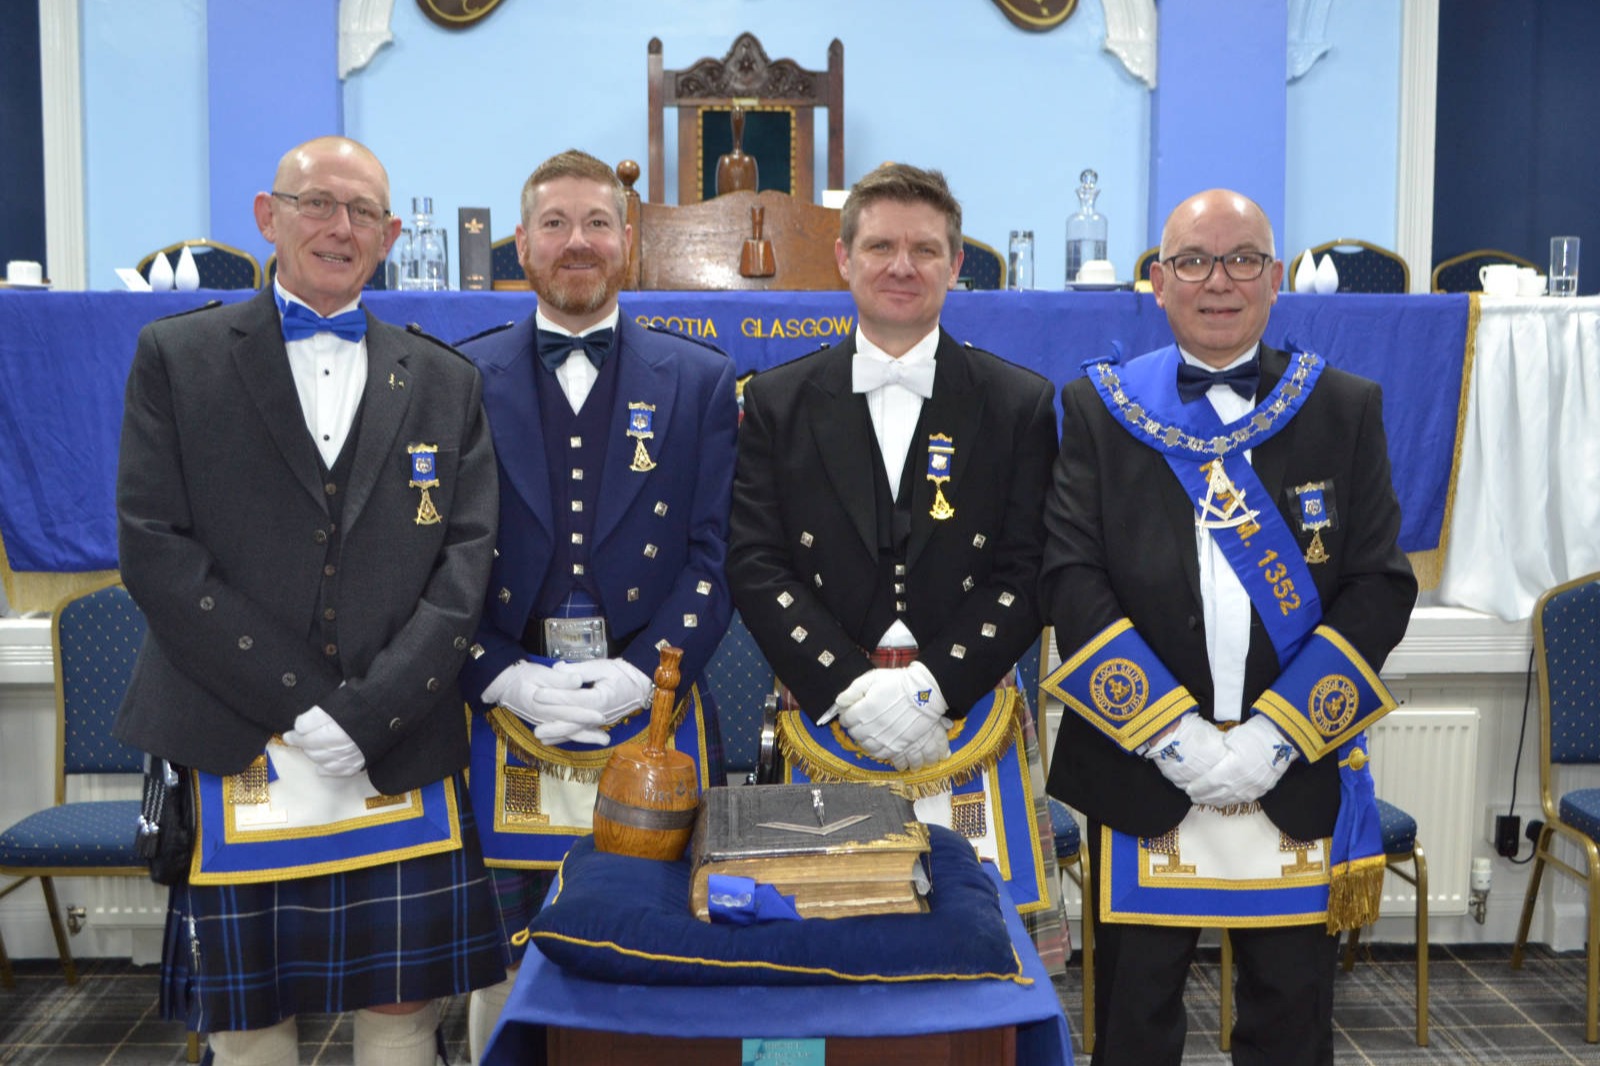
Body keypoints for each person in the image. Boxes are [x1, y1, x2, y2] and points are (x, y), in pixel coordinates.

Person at [114, 136, 503, 1065]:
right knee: (248, 1027)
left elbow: (466, 565)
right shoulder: (177, 355)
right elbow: (154, 549)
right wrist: (305, 702)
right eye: (317, 202)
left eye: (363, 212)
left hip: (397, 740)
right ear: (268, 216)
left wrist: (370, 710)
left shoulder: (446, 379)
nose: (340, 227)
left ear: (391, 236)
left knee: (405, 1014)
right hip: (231, 734)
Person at [1041, 188, 1417, 1065]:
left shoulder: (1343, 407)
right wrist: (1168, 732)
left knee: (1290, 1028)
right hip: (1141, 766)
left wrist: (1276, 737)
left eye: (1243, 259)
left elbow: (1378, 586)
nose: (1219, 281)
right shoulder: (1100, 409)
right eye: (1193, 261)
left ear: (1275, 277)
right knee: (1132, 1028)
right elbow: (1070, 579)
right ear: (1158, 281)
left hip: (1291, 768)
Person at [455, 148, 737, 1059]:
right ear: (522, 245)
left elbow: (715, 556)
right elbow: (435, 560)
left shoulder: (698, 379)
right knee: (503, 971)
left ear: (628, 241)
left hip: (653, 710)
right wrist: (500, 675)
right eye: (555, 224)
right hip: (505, 716)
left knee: (662, 951)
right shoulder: (459, 378)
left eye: (597, 223)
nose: (577, 242)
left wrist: (643, 673)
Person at [728, 163, 1059, 907]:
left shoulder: (1018, 403)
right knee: (824, 935)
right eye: (880, 246)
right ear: (843, 259)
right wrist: (849, 686)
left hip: (969, 704)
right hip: (827, 706)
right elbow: (754, 562)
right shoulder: (778, 401)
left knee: (986, 942)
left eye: (925, 249)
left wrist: (933, 687)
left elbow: (1028, 566)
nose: (902, 266)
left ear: (955, 265)